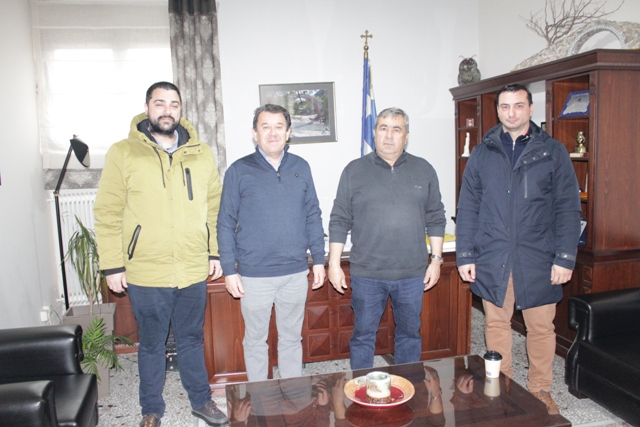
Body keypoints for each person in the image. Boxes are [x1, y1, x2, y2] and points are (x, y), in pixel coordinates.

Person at [94, 81, 228, 427]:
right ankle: (151, 408)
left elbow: (214, 207)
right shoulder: (123, 152)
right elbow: (108, 211)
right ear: (147, 107)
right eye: (160, 103)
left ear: (181, 110)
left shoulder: (201, 153)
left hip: (192, 266)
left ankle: (201, 401)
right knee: (152, 344)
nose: (167, 111)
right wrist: (112, 265)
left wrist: (214, 253)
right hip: (146, 269)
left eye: (174, 104)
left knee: (191, 340)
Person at [456, 83, 581, 415]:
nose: (511, 113)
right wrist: (466, 254)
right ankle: (502, 388)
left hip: (538, 257)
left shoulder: (553, 152)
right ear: (498, 110)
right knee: (496, 324)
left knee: (540, 327)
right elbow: (468, 207)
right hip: (494, 254)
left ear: (530, 109)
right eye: (505, 106)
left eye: (518, 105)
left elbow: (568, 208)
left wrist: (565, 258)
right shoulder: (482, 153)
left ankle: (540, 390)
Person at [328, 107, 446, 370]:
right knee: (363, 337)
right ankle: (361, 387)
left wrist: (436, 260)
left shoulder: (424, 169)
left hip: (412, 274)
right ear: (375, 133)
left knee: (409, 335)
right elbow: (339, 218)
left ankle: (407, 387)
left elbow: (436, 216)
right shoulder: (354, 170)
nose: (389, 135)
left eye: (396, 129)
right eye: (383, 128)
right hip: (367, 273)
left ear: (406, 136)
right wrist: (334, 264)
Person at [217, 103, 326, 381]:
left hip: (294, 273)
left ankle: (293, 395)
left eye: (279, 127)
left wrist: (319, 260)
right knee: (255, 341)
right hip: (254, 276)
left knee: (291, 339)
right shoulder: (238, 171)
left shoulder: (301, 167)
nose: (272, 133)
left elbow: (313, 214)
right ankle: (260, 400)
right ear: (255, 133)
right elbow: (225, 222)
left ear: (288, 133)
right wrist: (229, 270)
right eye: (265, 127)